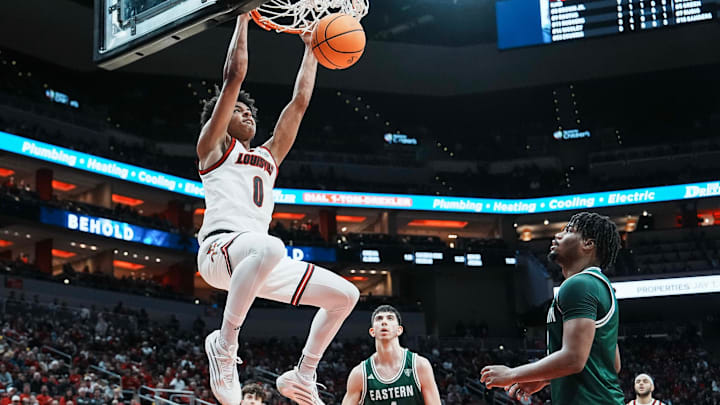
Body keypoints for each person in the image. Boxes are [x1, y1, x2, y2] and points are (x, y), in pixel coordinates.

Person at [196, 12, 359, 405]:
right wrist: (241, 17)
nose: (247, 112)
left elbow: (299, 103)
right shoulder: (213, 149)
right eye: (238, 110)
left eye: (250, 110)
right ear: (220, 118)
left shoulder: (269, 156)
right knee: (269, 246)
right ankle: (225, 343)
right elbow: (233, 77)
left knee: (345, 296)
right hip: (220, 252)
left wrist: (311, 49)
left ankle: (302, 375)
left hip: (255, 262)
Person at [481, 212, 624, 404]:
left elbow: (574, 358)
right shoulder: (600, 285)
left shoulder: (580, 284)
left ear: (588, 244)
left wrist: (512, 373)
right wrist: (545, 378)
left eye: (569, 231)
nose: (557, 236)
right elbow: (611, 364)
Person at [341, 305, 441, 404]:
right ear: (372, 332)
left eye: (390, 318)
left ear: (399, 330)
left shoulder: (420, 366)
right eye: (379, 319)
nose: (384, 322)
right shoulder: (359, 374)